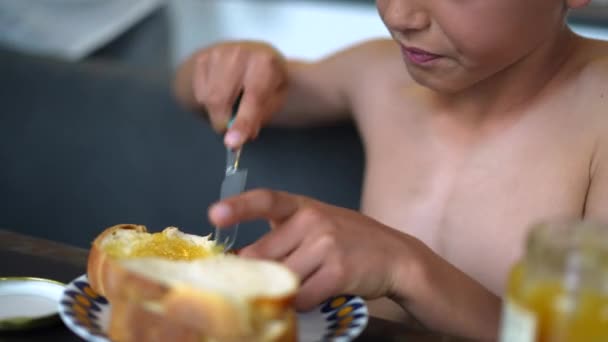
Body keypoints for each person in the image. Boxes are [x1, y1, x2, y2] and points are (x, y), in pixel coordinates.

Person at [173, 0, 608, 339]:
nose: (400, 15)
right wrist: (237, 61)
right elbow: (202, 93)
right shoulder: (379, 74)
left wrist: (406, 268)